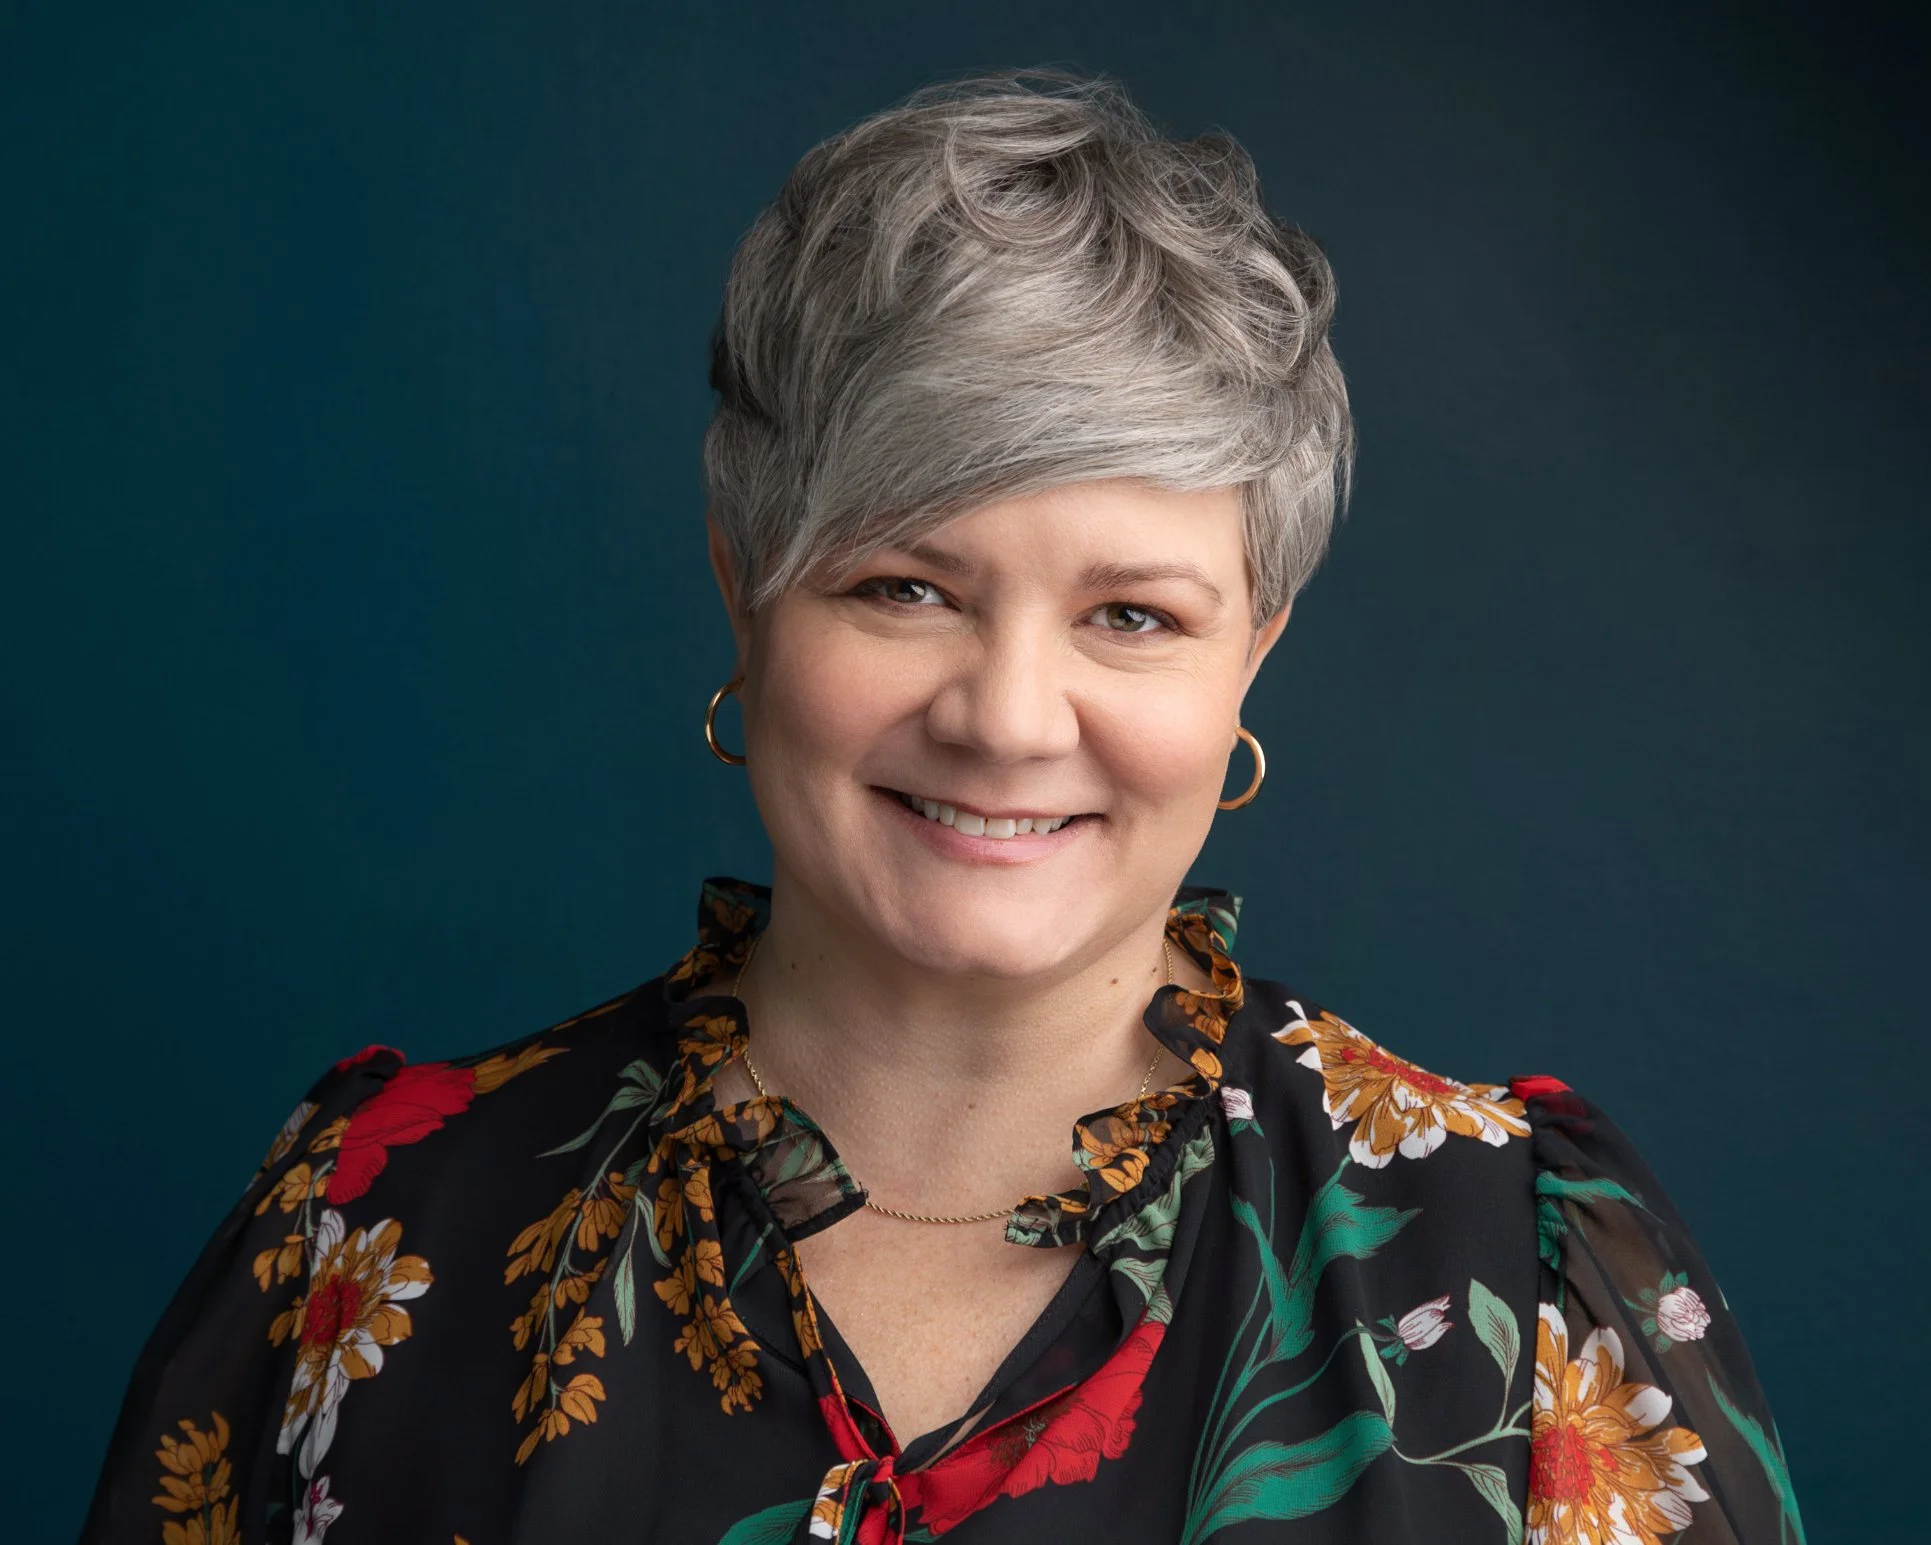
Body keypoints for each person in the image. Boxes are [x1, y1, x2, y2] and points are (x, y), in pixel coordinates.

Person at [83, 73, 1799, 1545]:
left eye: (1131, 615)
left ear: (1252, 650)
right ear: (744, 582)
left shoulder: (1524, 1272)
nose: (1003, 714)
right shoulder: (374, 1234)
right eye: (905, 586)